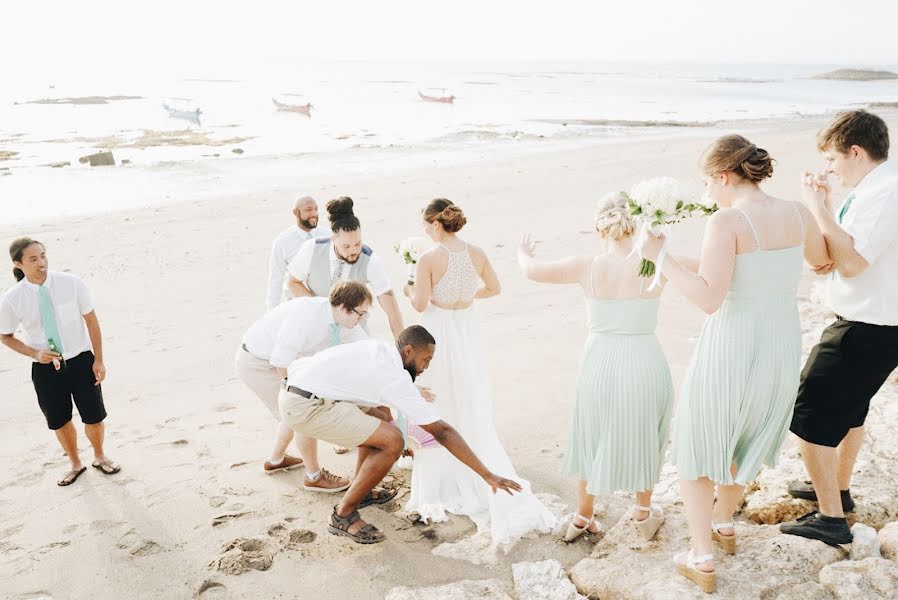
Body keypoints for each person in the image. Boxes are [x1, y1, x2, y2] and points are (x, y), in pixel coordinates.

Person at [638, 135, 830, 593]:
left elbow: (708, 297)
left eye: (709, 183)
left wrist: (658, 257)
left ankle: (701, 555)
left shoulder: (728, 220)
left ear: (724, 176)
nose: (708, 193)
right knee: (748, 434)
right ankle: (723, 523)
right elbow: (822, 262)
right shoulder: (797, 213)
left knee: (698, 443)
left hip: (733, 340)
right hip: (781, 336)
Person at [517, 191, 674, 543]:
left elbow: (530, 271)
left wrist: (522, 253)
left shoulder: (585, 265)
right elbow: (713, 269)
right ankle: (644, 512)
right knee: (646, 431)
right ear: (636, 226)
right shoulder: (657, 263)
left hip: (600, 359)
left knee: (591, 432)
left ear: (598, 228)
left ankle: (582, 516)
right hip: (645, 358)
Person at [279, 326, 522, 544]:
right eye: (426, 359)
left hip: (303, 390)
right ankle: (343, 515)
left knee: (383, 420)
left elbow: (382, 404)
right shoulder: (394, 376)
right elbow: (442, 432)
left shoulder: (381, 350)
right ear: (408, 351)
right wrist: (487, 475)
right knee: (393, 442)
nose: (426, 367)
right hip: (307, 407)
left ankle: (359, 491)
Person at [402, 198, 556, 543]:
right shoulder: (477, 253)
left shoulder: (428, 258)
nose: (425, 231)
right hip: (465, 327)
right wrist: (466, 298)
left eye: (426, 225)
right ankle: (474, 452)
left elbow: (420, 304)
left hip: (437, 328)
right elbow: (495, 289)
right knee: (467, 390)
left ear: (437, 224)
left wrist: (408, 287)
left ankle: (441, 469)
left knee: (439, 394)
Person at [780, 110, 898, 546]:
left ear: (854, 151)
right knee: (850, 410)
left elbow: (851, 262)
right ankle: (838, 491)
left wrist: (817, 206)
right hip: (872, 322)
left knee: (808, 411)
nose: (828, 168)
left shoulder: (885, 192)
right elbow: (842, 253)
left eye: (831, 159)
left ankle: (830, 518)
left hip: (869, 325)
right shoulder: (873, 189)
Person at [0, 238, 122, 487]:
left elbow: (91, 321)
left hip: (81, 361)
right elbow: (5, 336)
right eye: (33, 259)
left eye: (43, 256)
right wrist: (35, 354)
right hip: (45, 368)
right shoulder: (12, 298)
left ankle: (99, 456)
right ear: (18, 264)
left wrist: (99, 359)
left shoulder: (72, 283)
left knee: (94, 416)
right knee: (59, 420)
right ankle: (76, 463)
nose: (41, 262)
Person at [236, 281, 371, 492]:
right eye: (360, 314)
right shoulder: (307, 316)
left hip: (277, 360)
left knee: (293, 412)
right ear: (344, 307)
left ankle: (276, 460)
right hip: (257, 363)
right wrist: (302, 394)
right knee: (303, 413)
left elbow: (368, 349)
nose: (361, 319)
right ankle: (314, 476)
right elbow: (281, 361)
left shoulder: (344, 321)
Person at [286, 197, 404, 339]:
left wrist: (402, 347)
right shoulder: (312, 248)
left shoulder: (370, 259)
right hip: (317, 330)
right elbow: (293, 281)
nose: (353, 251)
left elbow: (391, 309)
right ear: (333, 239)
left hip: (356, 334)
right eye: (346, 246)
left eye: (357, 244)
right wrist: (321, 311)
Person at [266, 195, 331, 310]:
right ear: (296, 212)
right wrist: (272, 311)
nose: (314, 214)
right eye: (308, 210)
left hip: (326, 304)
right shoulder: (282, 242)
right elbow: (276, 279)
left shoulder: (328, 235)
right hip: (295, 305)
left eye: (316, 209)